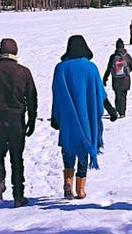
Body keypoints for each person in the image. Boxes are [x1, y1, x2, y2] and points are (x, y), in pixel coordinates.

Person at [51, 34, 118, 200]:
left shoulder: (60, 68)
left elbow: (57, 95)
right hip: (86, 118)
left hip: (67, 119)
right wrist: (111, 110)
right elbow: (100, 94)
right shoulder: (91, 68)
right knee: (83, 150)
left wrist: (55, 117)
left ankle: (68, 183)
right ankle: (80, 189)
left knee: (68, 149)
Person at [0, 37, 38, 206]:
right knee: (17, 157)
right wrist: (31, 120)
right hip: (16, 119)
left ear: (0, 52)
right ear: (15, 52)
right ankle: (18, 195)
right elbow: (31, 97)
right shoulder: (23, 72)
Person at [103, 38, 132, 118]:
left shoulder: (113, 57)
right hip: (125, 80)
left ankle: (117, 110)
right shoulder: (127, 56)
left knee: (117, 95)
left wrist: (105, 78)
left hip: (116, 80)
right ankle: (122, 112)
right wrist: (128, 70)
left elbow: (109, 68)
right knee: (123, 96)